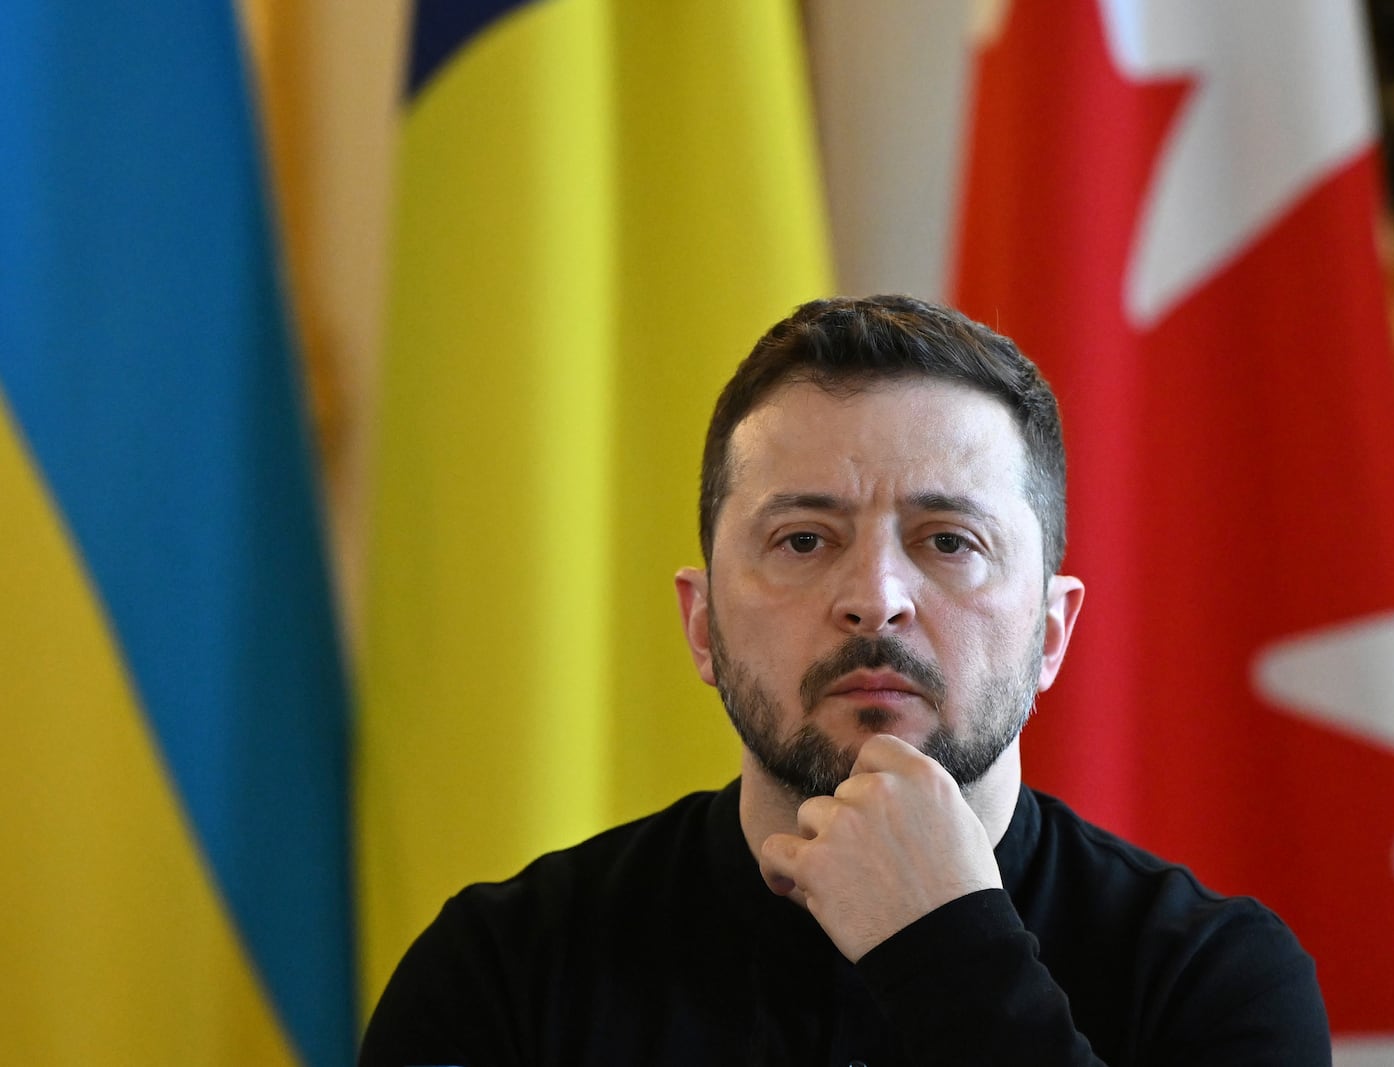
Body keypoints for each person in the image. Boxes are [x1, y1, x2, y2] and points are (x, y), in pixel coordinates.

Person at [359, 295, 1332, 1065]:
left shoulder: (1212, 977)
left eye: (948, 540)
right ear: (701, 623)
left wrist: (948, 948)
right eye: (802, 539)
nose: (874, 598)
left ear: (1049, 630)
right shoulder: (502, 972)